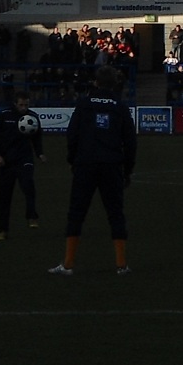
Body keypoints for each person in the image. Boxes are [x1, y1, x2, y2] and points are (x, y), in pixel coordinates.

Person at [49, 66, 137, 277]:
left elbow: (72, 135)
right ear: (114, 84)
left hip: (86, 164)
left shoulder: (84, 104)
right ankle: (121, 264)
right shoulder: (120, 106)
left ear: (95, 83)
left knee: (76, 213)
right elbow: (131, 143)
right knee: (115, 214)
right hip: (112, 165)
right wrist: (128, 170)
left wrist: (72, 160)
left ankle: (68, 264)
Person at [0, 89, 46, 237]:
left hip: (24, 159)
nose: (23, 108)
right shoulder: (4, 115)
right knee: (4, 197)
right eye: (21, 105)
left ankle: (32, 216)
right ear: (15, 103)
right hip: (6, 162)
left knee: (28, 185)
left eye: (26, 105)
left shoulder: (32, 117)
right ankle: (3, 230)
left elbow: (37, 138)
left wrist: (39, 153)